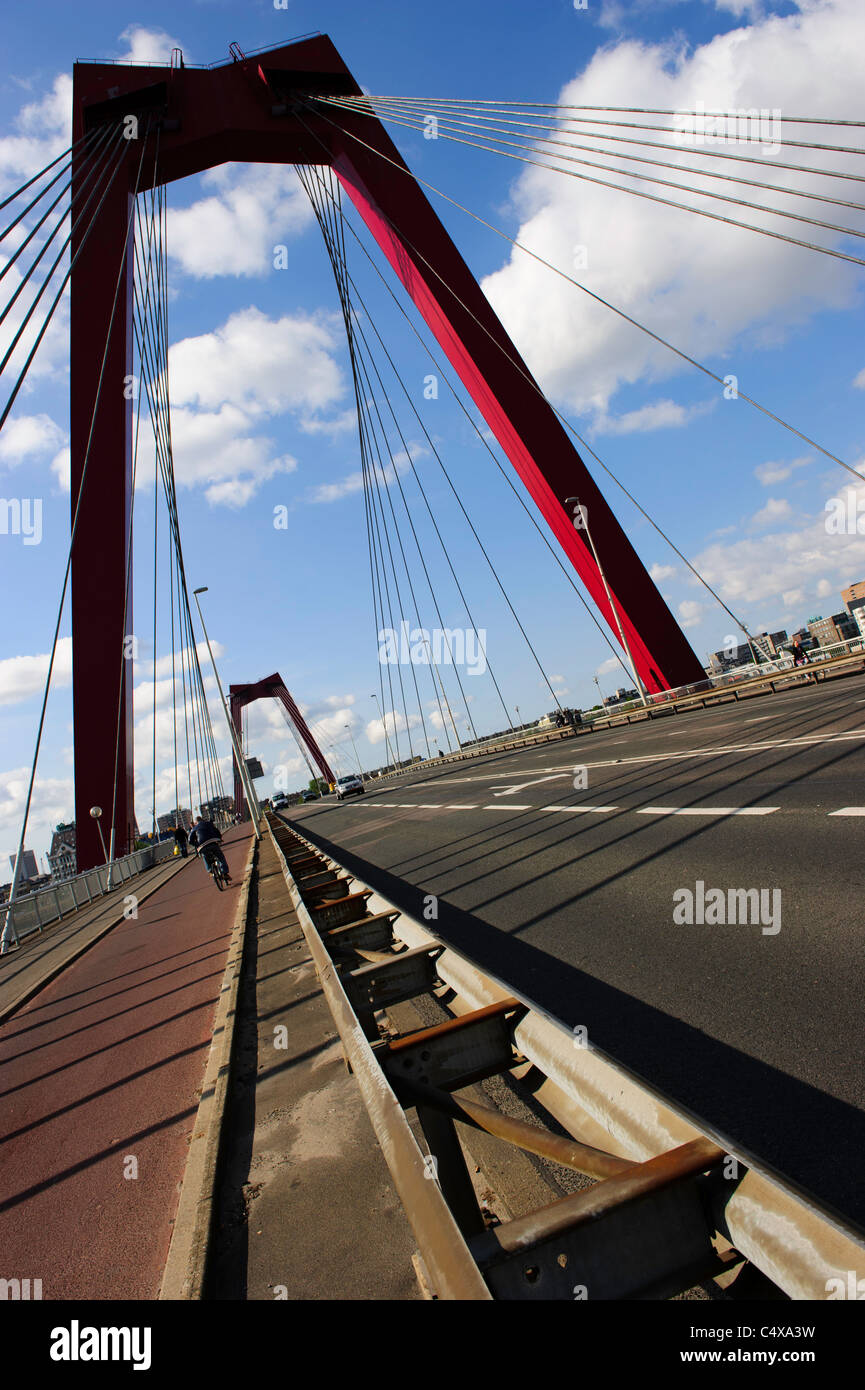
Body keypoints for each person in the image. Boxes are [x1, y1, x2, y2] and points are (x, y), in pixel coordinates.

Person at [189, 814, 231, 883]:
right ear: (202, 819)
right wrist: (219, 838)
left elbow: (190, 840)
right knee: (220, 857)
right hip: (213, 842)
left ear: (196, 822)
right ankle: (225, 873)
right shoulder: (209, 824)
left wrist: (197, 845)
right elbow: (217, 831)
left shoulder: (195, 828)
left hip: (202, 846)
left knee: (205, 856)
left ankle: (210, 870)